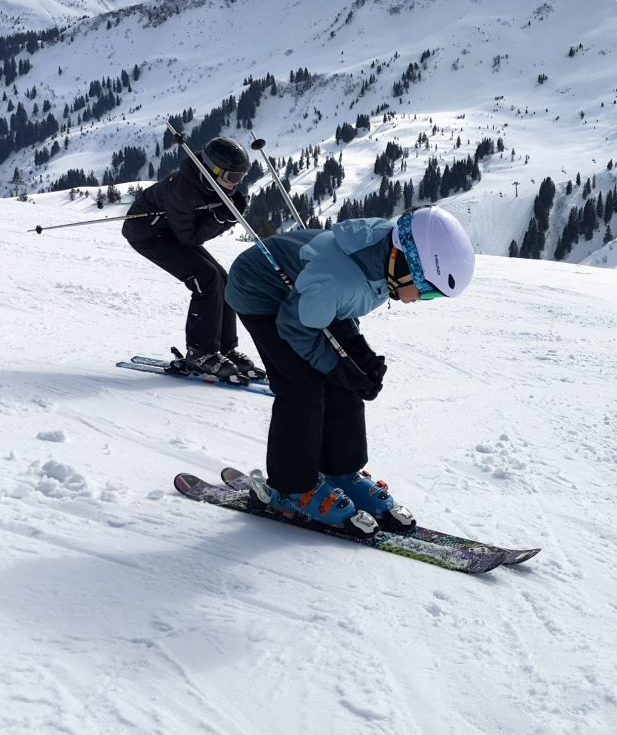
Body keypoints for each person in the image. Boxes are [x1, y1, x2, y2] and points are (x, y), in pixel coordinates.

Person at [224, 205, 476, 534]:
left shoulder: (386, 253)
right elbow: (296, 325)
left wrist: (353, 353)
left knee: (349, 379)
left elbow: (339, 305)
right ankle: (290, 489)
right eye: (425, 289)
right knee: (302, 388)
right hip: (261, 293)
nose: (419, 300)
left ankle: (340, 472)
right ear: (408, 264)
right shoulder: (342, 280)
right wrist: (334, 364)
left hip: (310, 297)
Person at [123, 136, 260, 382]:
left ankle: (225, 348)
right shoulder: (183, 189)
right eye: (232, 177)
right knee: (204, 278)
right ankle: (201, 353)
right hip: (148, 234)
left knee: (222, 278)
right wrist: (222, 219)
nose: (236, 184)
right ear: (212, 170)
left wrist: (226, 213)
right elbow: (190, 238)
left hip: (171, 230)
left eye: (241, 177)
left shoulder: (213, 184)